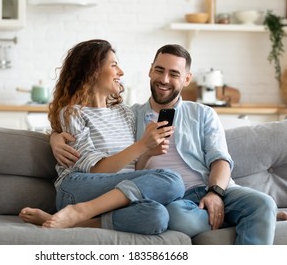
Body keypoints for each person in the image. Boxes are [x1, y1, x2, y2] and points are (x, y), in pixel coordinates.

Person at [51, 43, 287, 244]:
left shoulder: (203, 113)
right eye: (159, 70)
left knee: (263, 202)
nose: (164, 80)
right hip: (176, 201)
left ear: (186, 79)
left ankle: (254, 213)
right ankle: (248, 216)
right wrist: (54, 137)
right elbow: (86, 123)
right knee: (175, 217)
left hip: (215, 189)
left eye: (174, 74)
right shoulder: (132, 115)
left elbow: (221, 160)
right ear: (150, 71)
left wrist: (215, 193)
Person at [19, 39, 185, 235]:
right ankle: (80, 210)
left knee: (157, 216)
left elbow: (132, 170)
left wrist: (148, 152)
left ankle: (76, 220)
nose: (121, 72)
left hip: (115, 195)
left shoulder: (126, 113)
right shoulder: (73, 113)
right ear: (93, 71)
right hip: (78, 189)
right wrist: (141, 146)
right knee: (172, 181)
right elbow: (96, 170)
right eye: (114, 65)